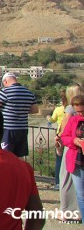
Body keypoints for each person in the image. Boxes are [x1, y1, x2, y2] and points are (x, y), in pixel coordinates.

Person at [0, 72, 38, 158]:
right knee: (18, 157)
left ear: (5, 82)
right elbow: (35, 110)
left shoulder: (6, 91)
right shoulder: (28, 92)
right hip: (22, 129)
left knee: (5, 156)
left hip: (8, 129)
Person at [57, 84, 84, 218]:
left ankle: (68, 210)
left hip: (73, 153)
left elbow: (63, 131)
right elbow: (66, 134)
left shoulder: (69, 108)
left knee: (66, 180)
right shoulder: (73, 114)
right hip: (74, 153)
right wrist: (74, 141)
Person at [47, 89, 66, 189]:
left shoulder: (58, 109)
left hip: (60, 136)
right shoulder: (72, 109)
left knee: (59, 159)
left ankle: (58, 182)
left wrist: (48, 118)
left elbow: (52, 120)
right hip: (67, 136)